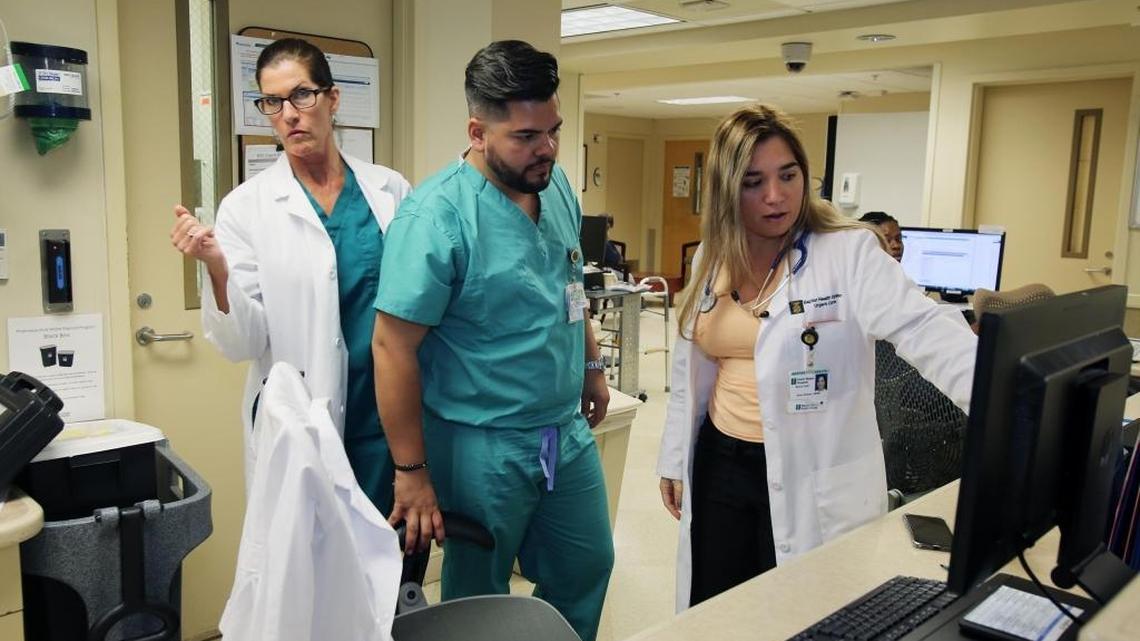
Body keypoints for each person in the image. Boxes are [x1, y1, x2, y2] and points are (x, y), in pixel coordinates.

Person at [656, 104, 977, 611]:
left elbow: (924, 327)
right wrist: (675, 457)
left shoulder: (847, 254)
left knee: (799, 607)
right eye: (753, 181)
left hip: (813, 465)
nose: (775, 195)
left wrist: (1007, 405)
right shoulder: (711, 256)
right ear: (725, 190)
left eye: (788, 175)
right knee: (719, 606)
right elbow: (690, 363)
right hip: (721, 461)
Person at [371, 40, 613, 641]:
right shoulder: (435, 218)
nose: (547, 149)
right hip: (481, 442)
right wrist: (411, 472)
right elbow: (391, 348)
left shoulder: (555, 188)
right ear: (478, 132)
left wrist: (590, 363)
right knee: (479, 592)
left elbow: (570, 281)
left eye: (553, 130)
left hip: (562, 430)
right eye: (526, 136)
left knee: (587, 563)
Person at [170, 38, 411, 514]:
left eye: (302, 95)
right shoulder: (246, 207)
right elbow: (242, 343)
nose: (289, 114)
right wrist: (218, 271)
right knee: (309, 574)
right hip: (300, 419)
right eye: (272, 102)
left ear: (332, 98)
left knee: (388, 569)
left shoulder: (390, 190)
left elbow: (413, 308)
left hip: (383, 418)